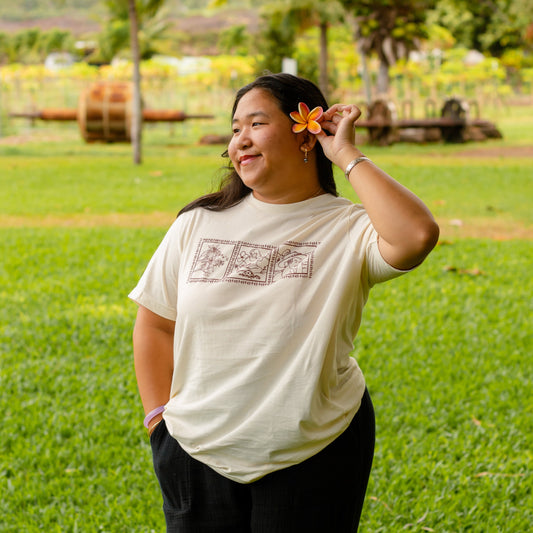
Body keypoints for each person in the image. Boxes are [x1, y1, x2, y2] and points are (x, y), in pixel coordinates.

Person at [129, 73, 439, 533]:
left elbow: (416, 235)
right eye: (235, 129)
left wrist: (347, 154)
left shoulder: (348, 228)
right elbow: (155, 323)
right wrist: (159, 422)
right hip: (195, 449)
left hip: (314, 447)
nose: (241, 140)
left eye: (256, 123)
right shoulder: (197, 224)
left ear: (307, 134)